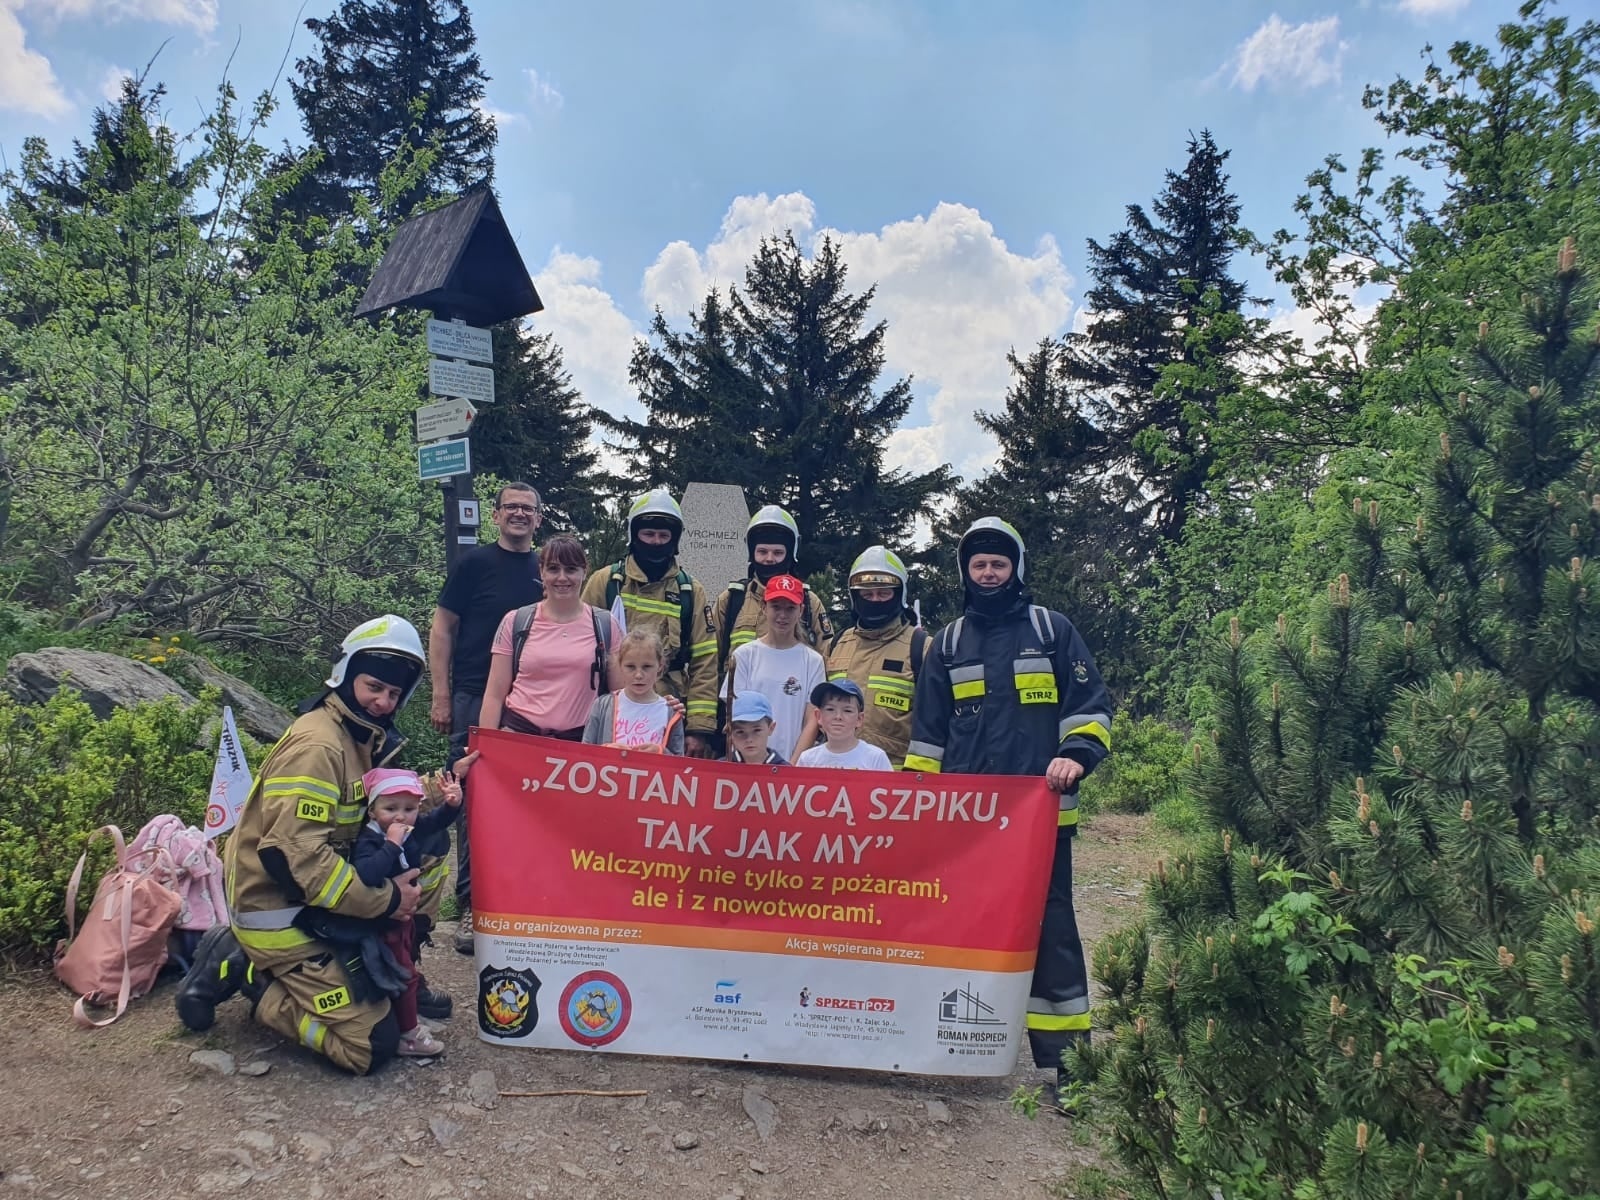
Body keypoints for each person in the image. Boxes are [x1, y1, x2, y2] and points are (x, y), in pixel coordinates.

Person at [906, 517, 1112, 1106]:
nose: (988, 573)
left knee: (1052, 931)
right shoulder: (945, 645)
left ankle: (1069, 1064)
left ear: (1015, 569)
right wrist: (922, 811)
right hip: (967, 830)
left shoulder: (1053, 631)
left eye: (998, 564)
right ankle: (955, 1044)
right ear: (965, 573)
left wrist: (1075, 755)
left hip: (1040, 822)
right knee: (962, 927)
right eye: (979, 565)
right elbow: (928, 740)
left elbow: (1090, 707)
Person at [175, 615, 433, 1075]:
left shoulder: (358, 735)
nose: (382, 701)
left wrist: (449, 788)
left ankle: (394, 974)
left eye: (394, 694)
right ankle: (255, 976)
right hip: (278, 910)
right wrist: (387, 901)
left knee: (429, 860)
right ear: (348, 675)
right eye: (374, 686)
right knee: (372, 1045)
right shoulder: (320, 747)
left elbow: (384, 802)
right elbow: (297, 859)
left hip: (315, 902)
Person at [428, 482, 544, 955]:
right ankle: (472, 907)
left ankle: (522, 903)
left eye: (528, 509)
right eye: (511, 507)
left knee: (530, 807)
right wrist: (441, 693)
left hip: (533, 704)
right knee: (473, 801)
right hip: (475, 694)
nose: (519, 514)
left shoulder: (547, 569)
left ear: (539, 518)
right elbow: (442, 627)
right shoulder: (473, 565)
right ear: (495, 515)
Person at [580, 489, 718, 755]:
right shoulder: (605, 582)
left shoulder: (691, 592)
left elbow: (705, 661)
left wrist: (697, 729)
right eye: (649, 534)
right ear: (634, 535)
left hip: (667, 715)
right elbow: (581, 647)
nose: (656, 542)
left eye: (664, 536)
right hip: (611, 712)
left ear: (674, 539)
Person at [351, 767, 466, 1058]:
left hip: (405, 920)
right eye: (390, 808)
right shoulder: (371, 840)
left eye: (409, 809)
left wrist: (452, 804)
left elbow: (435, 821)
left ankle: (397, 1011)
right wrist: (391, 845)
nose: (400, 816)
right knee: (403, 975)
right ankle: (409, 1034)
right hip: (383, 922)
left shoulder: (409, 827)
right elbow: (367, 873)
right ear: (372, 811)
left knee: (404, 966)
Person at [479, 535, 620, 740]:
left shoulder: (606, 624)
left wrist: (662, 707)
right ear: (542, 571)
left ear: (584, 571)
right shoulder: (515, 621)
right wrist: (486, 747)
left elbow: (622, 698)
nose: (562, 577)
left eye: (571, 569)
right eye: (553, 569)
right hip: (518, 740)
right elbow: (494, 695)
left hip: (580, 746)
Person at [824, 545, 925, 768]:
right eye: (867, 594)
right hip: (836, 783)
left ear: (899, 594)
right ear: (855, 596)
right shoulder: (837, 645)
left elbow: (933, 726)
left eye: (883, 593)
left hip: (894, 785)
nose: (875, 600)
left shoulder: (921, 648)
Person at [713, 505, 833, 672]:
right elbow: (709, 661)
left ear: (790, 554)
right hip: (738, 696)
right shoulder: (732, 599)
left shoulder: (809, 602)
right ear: (751, 552)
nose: (769, 559)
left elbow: (826, 661)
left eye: (778, 552)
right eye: (762, 551)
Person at [723, 574, 825, 764]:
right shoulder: (744, 655)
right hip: (746, 766)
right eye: (776, 607)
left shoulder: (813, 661)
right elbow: (734, 715)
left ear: (801, 610)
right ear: (764, 607)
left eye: (790, 608)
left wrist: (791, 767)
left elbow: (812, 721)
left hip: (790, 767)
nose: (782, 615)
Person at [582, 628, 685, 754]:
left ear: (660, 667)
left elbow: (679, 762)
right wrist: (607, 751)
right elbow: (585, 752)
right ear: (619, 665)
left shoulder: (672, 713)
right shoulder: (602, 705)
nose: (638, 675)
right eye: (630, 667)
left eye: (647, 667)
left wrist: (660, 752)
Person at [796, 679, 892, 770]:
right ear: (818, 716)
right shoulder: (807, 760)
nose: (838, 716)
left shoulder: (876, 758)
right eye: (830, 709)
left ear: (859, 719)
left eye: (847, 710)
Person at [726, 690, 787, 765]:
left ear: (771, 728)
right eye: (740, 732)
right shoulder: (719, 769)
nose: (749, 739)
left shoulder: (787, 772)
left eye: (757, 730)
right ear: (730, 732)